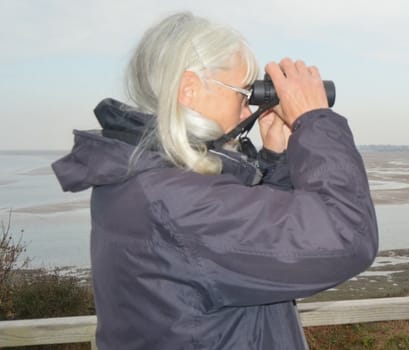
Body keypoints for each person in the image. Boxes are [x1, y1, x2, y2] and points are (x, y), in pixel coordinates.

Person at [51, 12, 378, 349]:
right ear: (190, 89)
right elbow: (347, 235)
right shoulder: (175, 202)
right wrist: (315, 119)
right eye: (242, 93)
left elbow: (249, 255)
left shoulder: (143, 180)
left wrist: (276, 159)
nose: (246, 110)